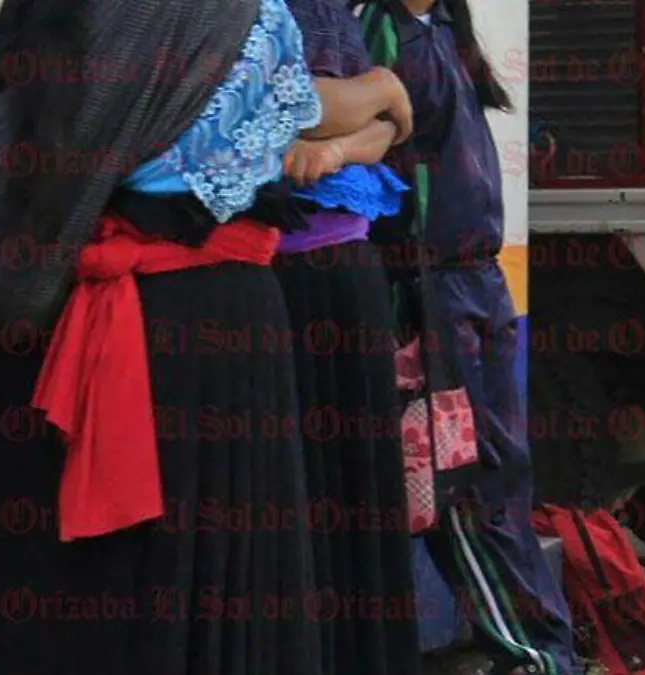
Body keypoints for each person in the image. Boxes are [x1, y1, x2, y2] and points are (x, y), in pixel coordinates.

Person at [0, 0, 411, 671]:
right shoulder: (234, 18)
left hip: (44, 325)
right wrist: (383, 91)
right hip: (196, 332)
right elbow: (300, 116)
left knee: (43, 596)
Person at [363, 0, 580, 672]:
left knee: (504, 477)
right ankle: (533, 653)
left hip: (479, 284)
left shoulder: (442, 29)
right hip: (429, 295)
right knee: (464, 485)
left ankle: (548, 650)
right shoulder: (378, 27)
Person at [273, 0, 422, 672]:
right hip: (273, 281)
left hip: (344, 279)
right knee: (299, 499)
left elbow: (390, 126)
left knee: (358, 494)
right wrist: (379, 89)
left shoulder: (328, 10)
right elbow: (290, 108)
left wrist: (342, 140)